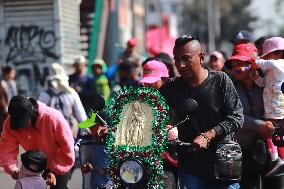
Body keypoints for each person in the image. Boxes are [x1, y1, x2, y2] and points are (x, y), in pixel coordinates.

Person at [159, 35, 244, 189]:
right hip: (190, 167)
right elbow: (147, 109)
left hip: (223, 165)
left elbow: (237, 117)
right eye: (177, 59)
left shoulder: (221, 80)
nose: (181, 65)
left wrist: (208, 135)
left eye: (186, 58)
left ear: (201, 57)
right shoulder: (171, 87)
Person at [225, 42, 284, 189]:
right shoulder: (229, 89)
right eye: (233, 65)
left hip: (272, 155)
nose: (236, 68)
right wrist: (260, 125)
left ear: (253, 65)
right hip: (243, 154)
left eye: (242, 63)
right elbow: (233, 115)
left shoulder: (268, 85)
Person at [0, 95, 75, 189]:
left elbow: (67, 149)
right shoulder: (10, 122)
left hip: (59, 161)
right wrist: (12, 169)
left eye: (23, 122)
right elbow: (6, 148)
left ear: (31, 113)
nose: (21, 128)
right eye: (17, 123)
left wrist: (54, 172)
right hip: (35, 164)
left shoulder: (53, 118)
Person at [139, 58, 178, 189]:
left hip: (167, 160)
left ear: (165, 79)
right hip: (140, 158)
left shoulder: (174, 100)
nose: (149, 86)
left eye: (153, 82)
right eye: (146, 83)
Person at [251, 37, 284, 177]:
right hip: (272, 106)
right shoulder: (272, 69)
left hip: (277, 106)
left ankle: (276, 159)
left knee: (271, 129)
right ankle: (278, 159)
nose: (268, 57)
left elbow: (262, 63)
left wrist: (254, 63)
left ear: (278, 53)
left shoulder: (279, 64)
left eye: (269, 54)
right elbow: (262, 83)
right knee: (275, 132)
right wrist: (254, 77)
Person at [38, 63, 87, 138]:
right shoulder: (45, 95)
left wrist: (87, 128)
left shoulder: (71, 94)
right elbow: (39, 114)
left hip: (69, 130)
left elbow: (80, 113)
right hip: (51, 131)